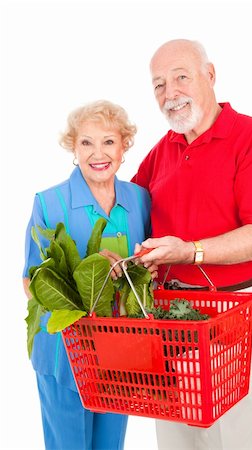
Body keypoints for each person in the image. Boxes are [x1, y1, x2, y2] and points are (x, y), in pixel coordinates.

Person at [132, 39, 252, 450]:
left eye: (181, 77)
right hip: (173, 315)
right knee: (178, 439)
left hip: (240, 311)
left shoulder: (251, 137)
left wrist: (190, 251)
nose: (170, 93)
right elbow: (128, 215)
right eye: (159, 85)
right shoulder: (162, 151)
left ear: (210, 75)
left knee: (237, 439)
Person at [23, 99, 155, 450]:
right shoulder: (49, 203)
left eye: (109, 141)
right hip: (64, 356)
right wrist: (87, 272)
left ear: (124, 146)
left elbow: (151, 269)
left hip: (120, 357)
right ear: (74, 148)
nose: (98, 153)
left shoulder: (140, 200)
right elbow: (31, 282)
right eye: (87, 142)